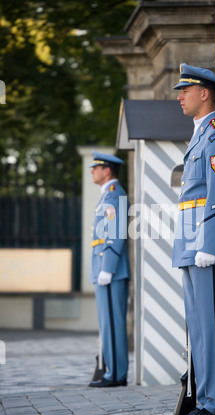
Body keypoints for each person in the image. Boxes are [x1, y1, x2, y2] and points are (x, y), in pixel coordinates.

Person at [172, 64, 215, 415]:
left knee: (213, 327)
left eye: (185, 90)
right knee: (199, 328)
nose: (179, 96)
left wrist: (210, 243)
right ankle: (203, 398)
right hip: (191, 247)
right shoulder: (200, 136)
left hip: (207, 248)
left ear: (204, 94)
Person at [89, 151, 130, 387]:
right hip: (104, 268)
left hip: (110, 270)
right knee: (108, 323)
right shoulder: (107, 196)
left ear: (107, 171)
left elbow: (114, 234)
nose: (92, 171)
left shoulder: (114, 196)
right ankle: (113, 372)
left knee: (112, 323)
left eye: (96, 167)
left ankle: (116, 375)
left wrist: (108, 267)